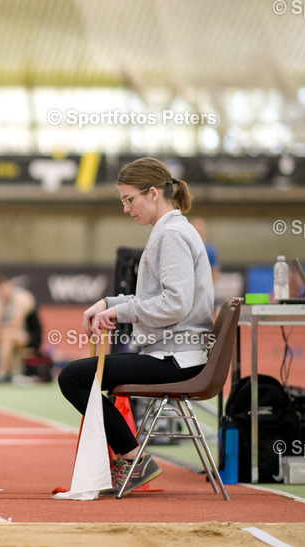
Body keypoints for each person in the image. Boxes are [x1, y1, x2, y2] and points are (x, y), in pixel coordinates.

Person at [57, 157, 214, 497]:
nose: (126, 209)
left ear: (153, 193)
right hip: (172, 353)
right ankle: (132, 457)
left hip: (176, 360)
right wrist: (109, 304)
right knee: (78, 376)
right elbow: (157, 298)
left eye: (129, 199)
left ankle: (133, 459)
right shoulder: (169, 231)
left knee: (72, 377)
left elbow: (175, 303)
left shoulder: (171, 235)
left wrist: (120, 313)